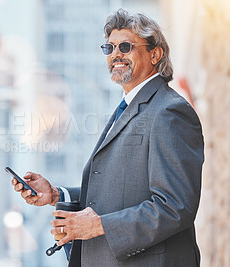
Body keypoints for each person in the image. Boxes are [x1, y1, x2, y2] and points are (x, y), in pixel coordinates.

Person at [11, 8, 204, 267]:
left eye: (126, 46)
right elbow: (120, 193)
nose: (116, 55)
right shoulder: (129, 108)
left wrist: (99, 225)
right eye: (109, 48)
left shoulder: (170, 112)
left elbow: (175, 207)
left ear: (155, 54)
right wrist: (57, 195)